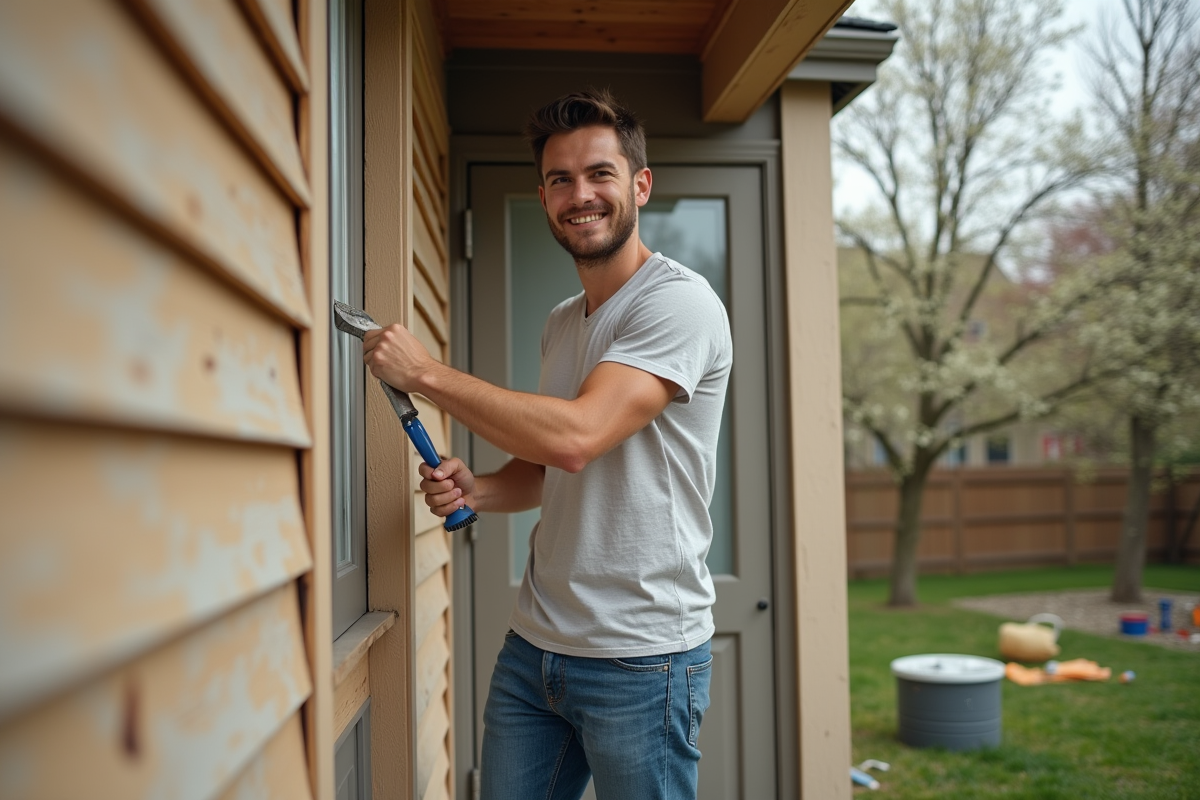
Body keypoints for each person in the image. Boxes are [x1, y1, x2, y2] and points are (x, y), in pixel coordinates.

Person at [363, 88, 732, 800]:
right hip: (536, 649)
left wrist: (426, 375)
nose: (580, 194)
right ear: (543, 196)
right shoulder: (565, 321)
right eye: (561, 179)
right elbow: (550, 471)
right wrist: (480, 490)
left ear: (640, 184)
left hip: (642, 657)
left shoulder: (679, 303)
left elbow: (577, 437)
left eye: (600, 173)